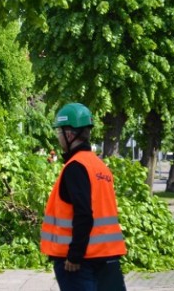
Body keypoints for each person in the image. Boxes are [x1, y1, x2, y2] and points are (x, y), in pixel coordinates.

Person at [40, 102, 127, 291]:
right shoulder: (99, 166)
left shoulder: (75, 167)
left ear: (69, 135)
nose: (59, 138)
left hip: (80, 264)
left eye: (59, 133)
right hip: (107, 257)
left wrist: (74, 255)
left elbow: (84, 213)